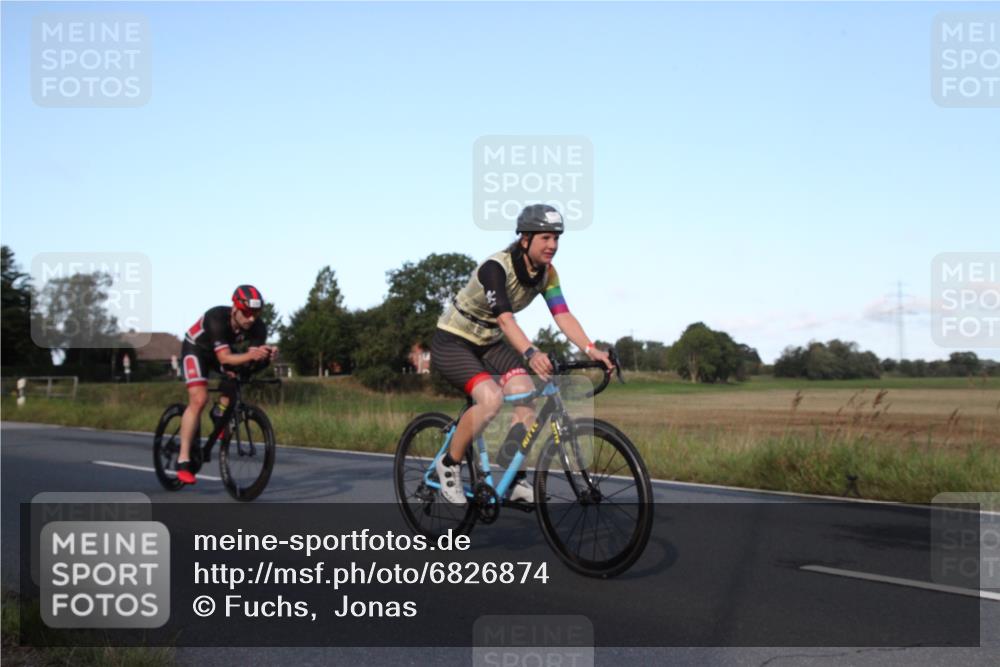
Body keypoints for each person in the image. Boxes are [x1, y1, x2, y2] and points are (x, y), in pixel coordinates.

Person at [431, 204, 613, 505]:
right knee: (490, 399)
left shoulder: (547, 274)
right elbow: (504, 319)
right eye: (546, 238)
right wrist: (530, 352)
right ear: (525, 239)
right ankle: (449, 465)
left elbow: (563, 315)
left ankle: (514, 476)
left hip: (489, 342)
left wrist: (592, 349)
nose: (553, 245)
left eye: (557, 238)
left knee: (526, 391)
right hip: (454, 341)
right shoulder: (496, 268)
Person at [177, 285, 277, 484]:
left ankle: (219, 411)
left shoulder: (258, 327)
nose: (252, 319)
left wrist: (266, 356)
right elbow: (224, 358)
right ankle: (183, 460)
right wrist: (249, 354)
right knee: (199, 399)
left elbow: (250, 361)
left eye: (256, 313)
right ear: (235, 309)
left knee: (237, 375)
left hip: (218, 352)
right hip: (196, 349)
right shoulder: (217, 318)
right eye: (247, 313)